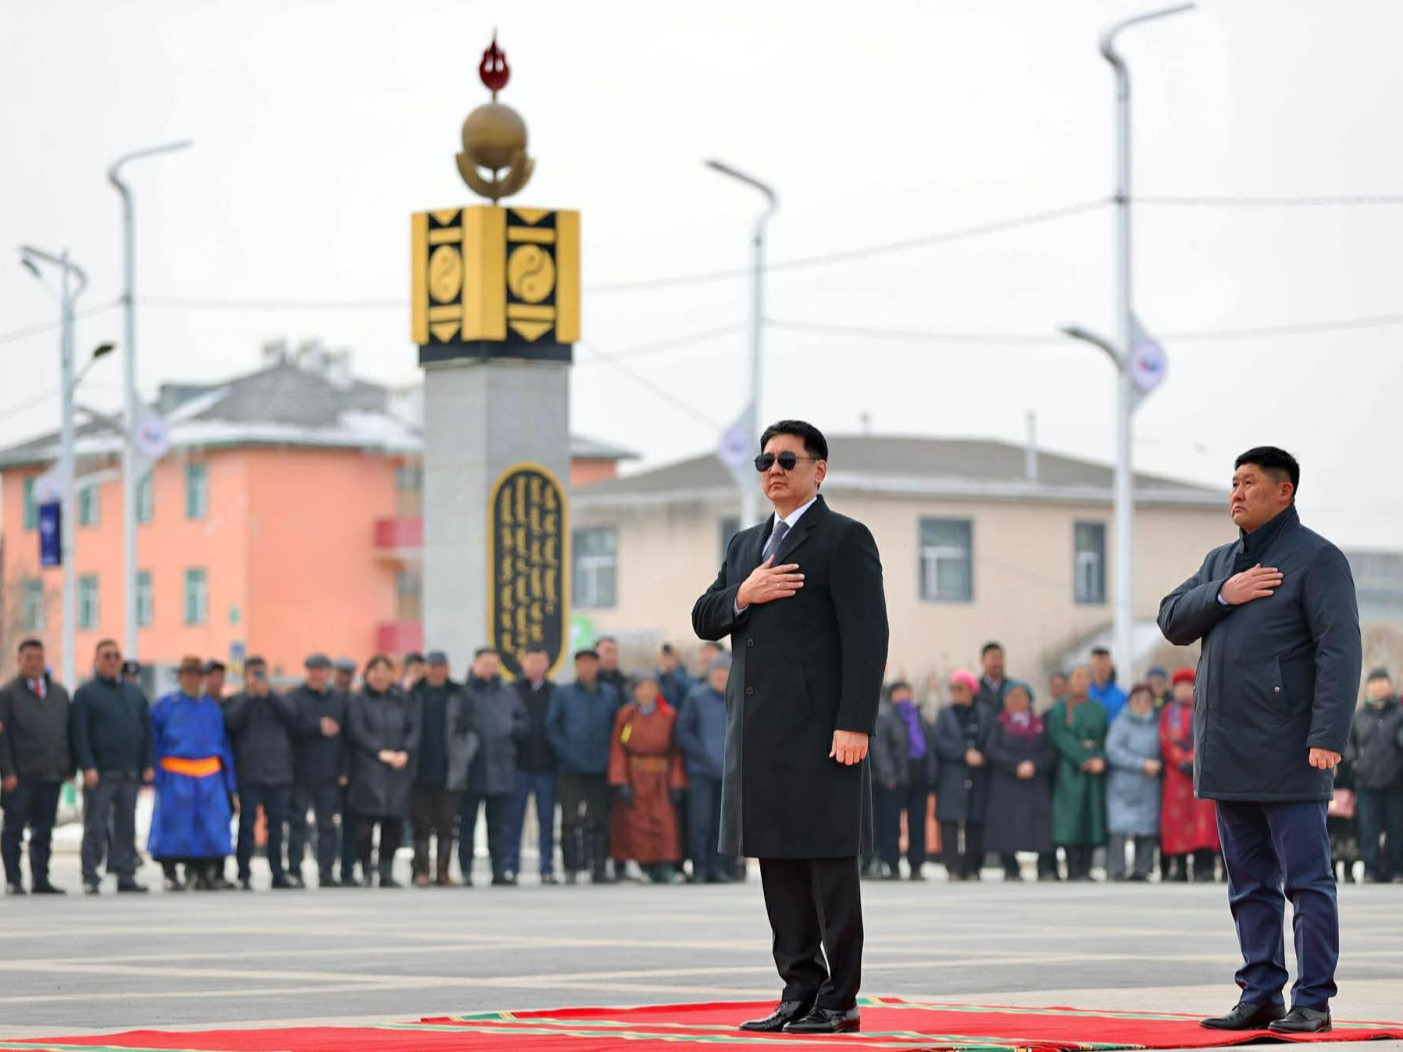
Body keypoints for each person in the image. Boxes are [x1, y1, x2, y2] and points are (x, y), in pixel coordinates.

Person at [692, 419, 888, 1036]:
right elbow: (705, 618)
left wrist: (855, 722)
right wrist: (743, 594)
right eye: (765, 461)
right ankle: (797, 990)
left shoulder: (844, 539)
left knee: (828, 867)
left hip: (824, 735)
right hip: (758, 736)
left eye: (787, 459)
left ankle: (839, 998)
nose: (773, 470)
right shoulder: (746, 546)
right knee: (777, 867)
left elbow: (868, 638)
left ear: (818, 469)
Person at [1159, 446, 1360, 1034]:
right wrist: (1225, 593)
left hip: (1291, 749)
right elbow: (1172, 618)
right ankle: (1260, 992)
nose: (1236, 493)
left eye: (1249, 482)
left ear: (1284, 491)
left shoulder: (1318, 559)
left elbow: (1340, 651)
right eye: (1233, 483)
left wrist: (1327, 735)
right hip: (1226, 750)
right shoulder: (1221, 561)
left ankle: (1313, 1000)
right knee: (1248, 884)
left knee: (1306, 881)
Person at [148, 655, 238, 892]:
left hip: (208, 776)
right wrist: (154, 772)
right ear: (180, 677)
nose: (192, 680)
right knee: (172, 826)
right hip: (176, 774)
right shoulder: (165, 706)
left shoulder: (211, 707)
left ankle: (202, 873)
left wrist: (230, 783)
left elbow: (223, 745)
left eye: (196, 675)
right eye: (187, 674)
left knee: (207, 826)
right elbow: (153, 741)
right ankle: (170, 873)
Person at [71, 639, 154, 894]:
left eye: (116, 656)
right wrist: (87, 766)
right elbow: (79, 734)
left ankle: (125, 872)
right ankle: (90, 873)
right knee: (95, 824)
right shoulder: (86, 694)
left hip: (129, 770)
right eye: (106, 656)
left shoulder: (134, 693)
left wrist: (148, 764)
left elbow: (145, 732)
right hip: (100, 772)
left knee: (126, 825)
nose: (112, 660)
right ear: (96, 661)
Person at [0, 638, 73, 895]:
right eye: (29, 658)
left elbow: (67, 733)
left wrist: (68, 766)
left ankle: (41, 879)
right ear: (19, 661)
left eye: (38, 658)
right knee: (13, 831)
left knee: (43, 831)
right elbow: (2, 737)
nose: (34, 663)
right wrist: (6, 772)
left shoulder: (59, 694)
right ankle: (14, 880)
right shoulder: (7, 694)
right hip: (19, 777)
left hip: (50, 774)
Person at [224, 656, 301, 890]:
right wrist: (250, 696)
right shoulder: (237, 700)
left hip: (278, 774)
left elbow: (293, 717)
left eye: (262, 674)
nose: (258, 679)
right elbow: (231, 723)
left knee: (277, 828)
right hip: (249, 774)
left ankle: (278, 872)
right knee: (246, 827)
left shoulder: (278, 699)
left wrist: (270, 694)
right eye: (254, 674)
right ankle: (243, 873)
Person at [546, 649, 622, 884]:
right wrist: (567, 754)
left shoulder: (609, 694)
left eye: (591, 664)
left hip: (600, 767)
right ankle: (571, 866)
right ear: (576, 667)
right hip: (570, 768)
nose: (587, 668)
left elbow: (618, 728)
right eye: (583, 664)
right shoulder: (563, 693)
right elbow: (552, 728)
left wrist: (610, 757)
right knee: (569, 819)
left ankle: (598, 867)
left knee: (599, 820)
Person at [346, 654, 420, 888]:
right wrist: (379, 752)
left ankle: (387, 870)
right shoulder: (358, 701)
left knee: (393, 824)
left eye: (385, 670)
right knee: (364, 826)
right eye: (375, 670)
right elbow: (356, 731)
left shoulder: (402, 700)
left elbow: (414, 729)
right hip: (368, 768)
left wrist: (405, 752)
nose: (380, 675)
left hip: (397, 769)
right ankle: (367, 869)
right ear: (367, 674)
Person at [608, 674, 687, 883]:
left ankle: (666, 866)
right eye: (642, 688)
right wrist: (621, 780)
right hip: (635, 774)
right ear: (634, 692)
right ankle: (641, 865)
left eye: (651, 688)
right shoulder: (627, 716)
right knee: (636, 822)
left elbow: (676, 751)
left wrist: (676, 782)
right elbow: (619, 747)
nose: (646, 693)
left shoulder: (668, 715)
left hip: (661, 776)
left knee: (664, 822)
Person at [410, 651, 478, 887]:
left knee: (447, 824)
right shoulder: (414, 694)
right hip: (418, 769)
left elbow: (471, 732)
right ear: (426, 668)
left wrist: (462, 757)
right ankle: (421, 871)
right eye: (433, 666)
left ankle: (443, 871)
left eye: (442, 666)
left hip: (450, 770)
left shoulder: (459, 694)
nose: (438, 670)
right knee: (420, 824)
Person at [460, 648, 526, 886]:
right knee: (466, 823)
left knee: (499, 824)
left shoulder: (508, 693)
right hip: (471, 768)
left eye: (494, 663)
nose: (490, 667)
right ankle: (465, 870)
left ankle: (500, 870)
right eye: (485, 663)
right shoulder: (464, 692)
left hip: (502, 766)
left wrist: (512, 729)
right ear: (475, 665)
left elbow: (522, 721)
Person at [286, 654, 350, 888]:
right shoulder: (294, 698)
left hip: (329, 773)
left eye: (321, 670)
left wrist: (344, 770)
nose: (316, 674)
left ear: (328, 673)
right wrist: (317, 728)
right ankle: (294, 870)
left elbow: (346, 738)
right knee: (297, 825)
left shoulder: (339, 700)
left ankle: (326, 872)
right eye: (312, 669)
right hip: (300, 772)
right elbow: (290, 728)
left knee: (328, 826)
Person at [984, 681, 1054, 881]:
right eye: (1012, 696)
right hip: (1007, 782)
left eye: (1021, 696)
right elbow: (992, 749)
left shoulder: (1039, 724)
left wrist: (1034, 765)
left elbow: (1049, 751)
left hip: (1035, 781)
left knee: (1041, 826)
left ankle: (1045, 866)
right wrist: (1015, 765)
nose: (1016, 701)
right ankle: (1010, 866)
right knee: (1006, 825)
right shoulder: (999, 723)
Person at [676, 653, 734, 883]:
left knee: (722, 825)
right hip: (700, 772)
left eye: (725, 672)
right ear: (709, 674)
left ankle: (716, 868)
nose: (721, 676)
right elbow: (682, 731)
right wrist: (701, 755)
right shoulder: (695, 698)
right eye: (717, 672)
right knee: (700, 822)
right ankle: (699, 867)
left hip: (728, 773)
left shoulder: (736, 697)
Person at [1158, 668, 1220, 883]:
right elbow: (1165, 739)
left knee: (1203, 822)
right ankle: (1180, 867)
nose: (1183, 691)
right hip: (1176, 775)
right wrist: (1180, 759)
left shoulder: (1203, 707)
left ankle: (1205, 867)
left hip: (1200, 770)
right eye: (1179, 687)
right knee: (1177, 822)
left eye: (1187, 686)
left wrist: (1193, 758)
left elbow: (1207, 734)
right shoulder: (1168, 711)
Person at [870, 680, 936, 881]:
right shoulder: (886, 716)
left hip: (918, 779)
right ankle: (892, 864)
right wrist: (888, 776)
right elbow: (880, 750)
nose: (904, 697)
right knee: (891, 825)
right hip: (895, 781)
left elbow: (930, 747)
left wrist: (931, 775)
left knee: (918, 824)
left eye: (906, 692)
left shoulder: (919, 717)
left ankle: (916, 865)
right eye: (899, 693)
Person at [1048, 666, 1108, 882]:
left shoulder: (1098, 709)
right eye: (1076, 678)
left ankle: (1086, 866)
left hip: (1094, 770)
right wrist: (1083, 758)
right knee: (1070, 819)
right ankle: (1073, 867)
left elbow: (1105, 737)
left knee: (1091, 818)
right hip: (1070, 770)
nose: (1080, 683)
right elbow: (1060, 736)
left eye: (1085, 679)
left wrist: (1099, 758)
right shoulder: (1061, 709)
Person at [933, 670, 992, 881]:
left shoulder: (984, 713)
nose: (956, 693)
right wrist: (963, 753)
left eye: (960, 688)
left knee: (975, 821)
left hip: (978, 774)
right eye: (953, 688)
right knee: (949, 821)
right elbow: (939, 741)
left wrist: (982, 755)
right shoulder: (945, 714)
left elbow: (991, 738)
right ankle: (953, 868)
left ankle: (973, 867)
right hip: (952, 773)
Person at [1345, 669, 1403, 883]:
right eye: (1374, 682)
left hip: (1396, 782)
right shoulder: (1359, 715)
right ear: (1368, 687)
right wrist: (1354, 762)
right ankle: (1371, 870)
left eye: (1382, 681)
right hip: (1366, 782)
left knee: (1397, 828)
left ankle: (1397, 870)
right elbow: (1348, 744)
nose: (1378, 686)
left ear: (1390, 685)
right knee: (1368, 829)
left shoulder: (1399, 713)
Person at [508, 644, 559, 885]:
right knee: (514, 819)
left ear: (547, 664)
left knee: (547, 821)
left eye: (541, 661)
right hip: (518, 766)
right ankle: (511, 867)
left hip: (547, 766)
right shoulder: (510, 692)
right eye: (532, 660)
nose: (536, 666)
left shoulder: (555, 692)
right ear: (522, 662)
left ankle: (546, 867)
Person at [1105, 683, 1163, 882]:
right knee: (1119, 828)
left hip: (1148, 785)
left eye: (1147, 700)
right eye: (1137, 700)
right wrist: (1141, 763)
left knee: (1147, 828)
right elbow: (1112, 750)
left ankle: (1142, 869)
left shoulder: (1157, 724)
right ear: (1130, 702)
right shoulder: (1120, 723)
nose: (1142, 705)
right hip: (1122, 784)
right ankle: (1116, 869)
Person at [330, 656, 359, 884]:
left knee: (351, 824)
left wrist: (347, 770)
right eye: (341, 672)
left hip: (353, 771)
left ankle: (347, 870)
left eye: (348, 673)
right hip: (327, 770)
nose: (345, 677)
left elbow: (354, 739)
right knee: (327, 824)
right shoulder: (329, 700)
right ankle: (326, 870)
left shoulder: (356, 700)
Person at [1088, 647, 1128, 723]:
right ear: (1091, 668)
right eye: (1097, 665)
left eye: (1104, 665)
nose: (1100, 668)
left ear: (1111, 667)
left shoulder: (1123, 697)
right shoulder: (1083, 696)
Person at [656, 644, 695, 711]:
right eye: (664, 657)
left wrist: (673, 672)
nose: (667, 661)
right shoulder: (655, 680)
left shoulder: (687, 680)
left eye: (670, 657)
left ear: (677, 658)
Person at [975, 642, 1009, 715]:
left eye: (1000, 657)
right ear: (982, 661)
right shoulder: (975, 688)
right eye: (993, 658)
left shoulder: (1012, 688)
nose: (997, 662)